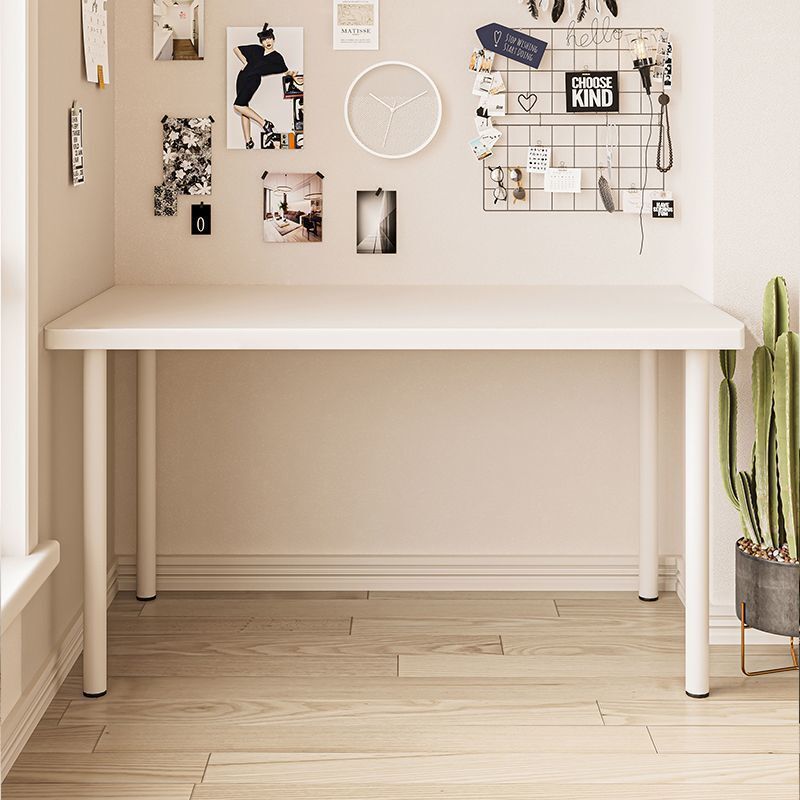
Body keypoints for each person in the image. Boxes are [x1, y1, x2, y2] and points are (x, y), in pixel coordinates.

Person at [233, 24, 297, 149]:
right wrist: (245, 62)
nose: (267, 41)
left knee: (238, 106)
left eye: (269, 39)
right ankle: (248, 141)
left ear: (273, 39)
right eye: (264, 40)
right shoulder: (256, 49)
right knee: (244, 108)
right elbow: (236, 49)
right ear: (261, 42)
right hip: (241, 77)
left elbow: (285, 70)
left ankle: (265, 123)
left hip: (253, 80)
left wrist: (292, 74)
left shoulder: (277, 57)